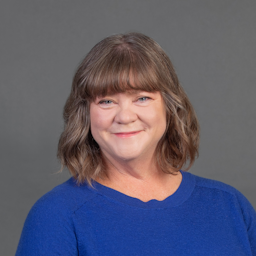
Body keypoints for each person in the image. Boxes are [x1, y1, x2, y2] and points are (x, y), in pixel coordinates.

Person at [16, 32, 256, 255]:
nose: (125, 116)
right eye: (107, 101)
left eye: (142, 98)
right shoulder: (56, 216)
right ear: (86, 114)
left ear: (169, 107)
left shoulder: (230, 206)